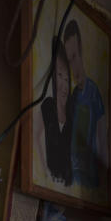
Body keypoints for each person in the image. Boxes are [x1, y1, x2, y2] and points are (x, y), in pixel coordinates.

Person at [64, 19, 107, 189]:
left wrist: (104, 178)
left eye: (74, 57)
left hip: (89, 174)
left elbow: (102, 138)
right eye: (68, 60)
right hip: (74, 173)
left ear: (81, 52)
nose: (72, 66)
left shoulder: (94, 92)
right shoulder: (73, 96)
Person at [35, 38, 72, 185]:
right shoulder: (48, 106)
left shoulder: (72, 114)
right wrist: (45, 172)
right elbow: (34, 136)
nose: (64, 84)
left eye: (67, 78)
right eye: (59, 75)